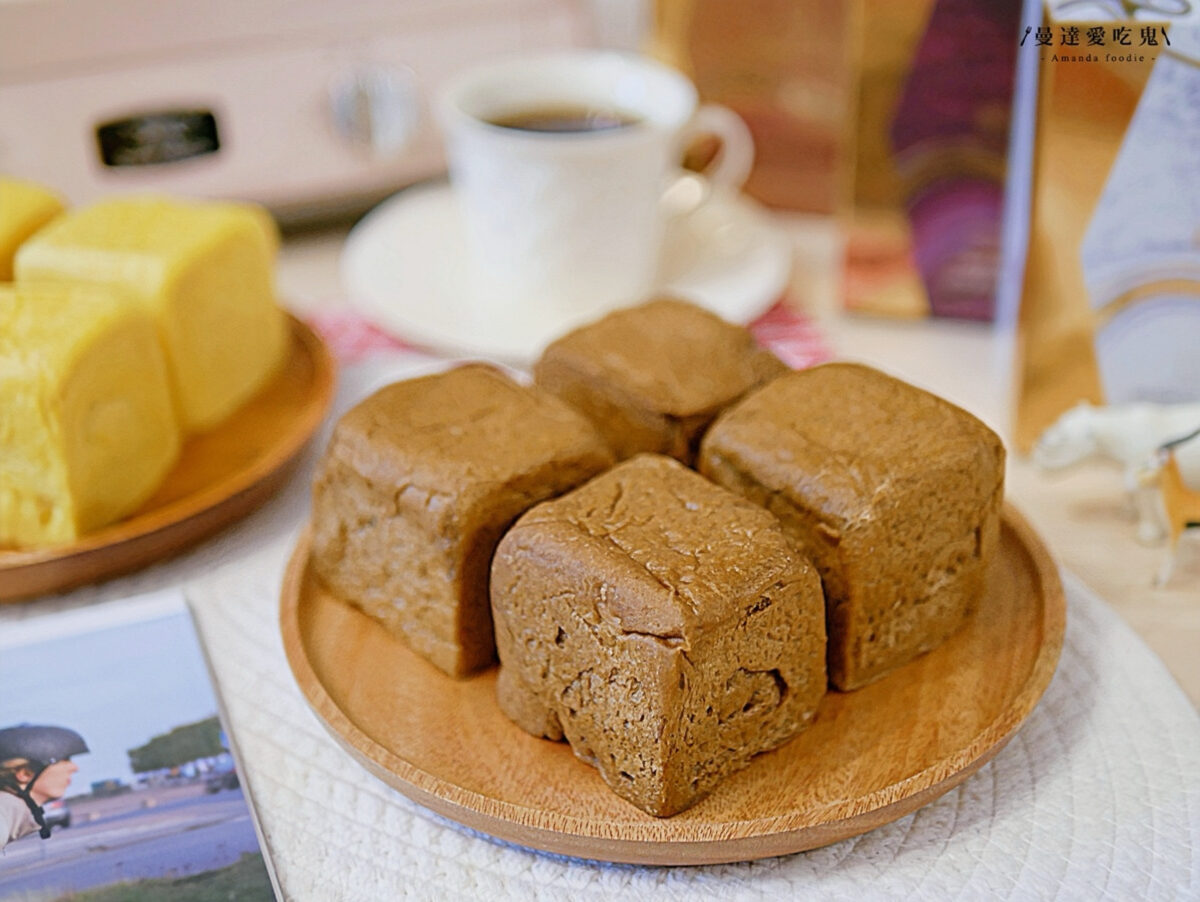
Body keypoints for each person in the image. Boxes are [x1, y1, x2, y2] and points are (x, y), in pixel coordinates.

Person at [0, 724, 88, 848]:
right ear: (25, 774)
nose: (74, 768)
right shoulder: (4, 816)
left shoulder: (10, 813)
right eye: (65, 760)